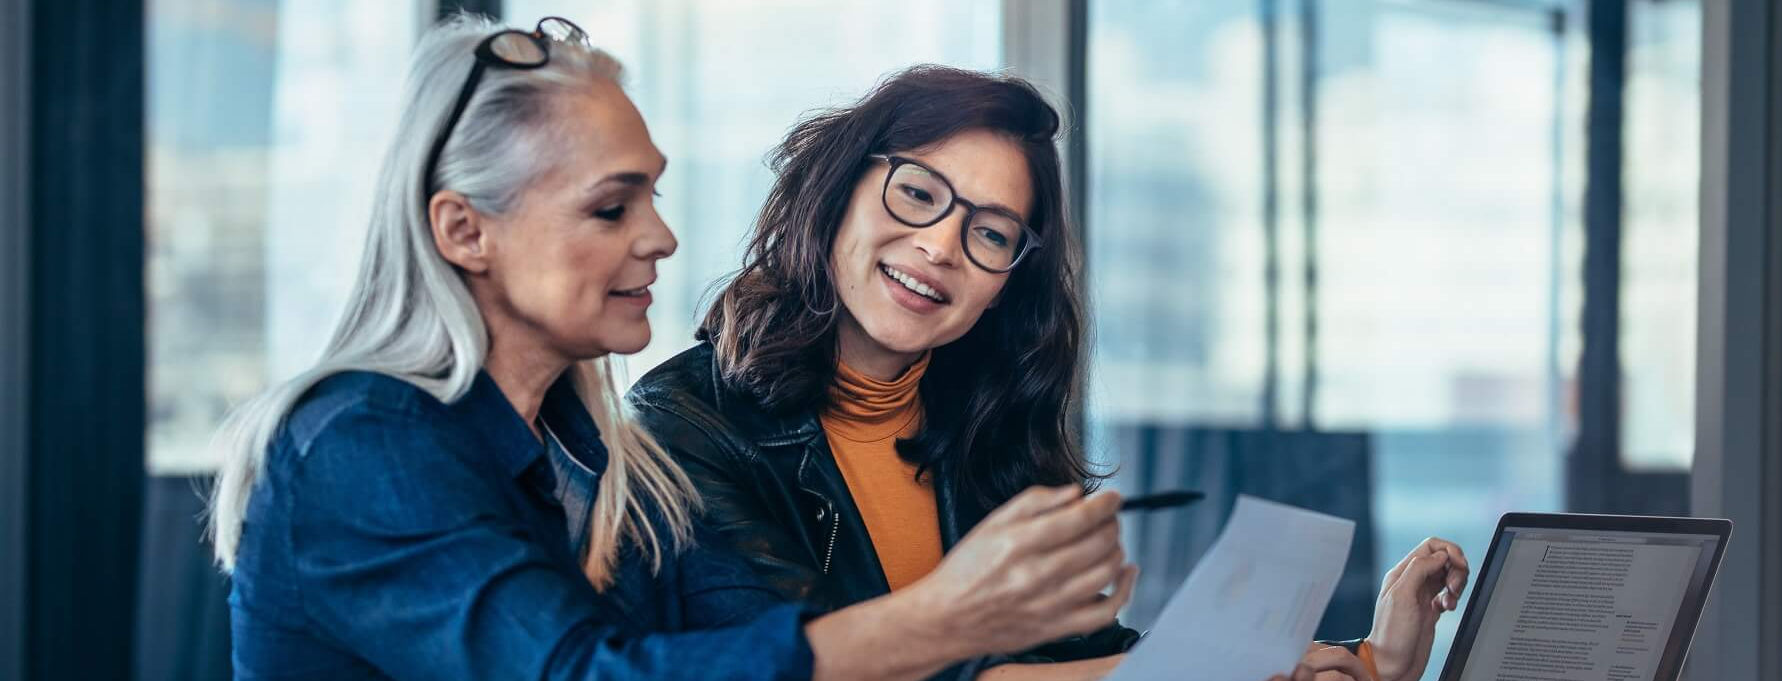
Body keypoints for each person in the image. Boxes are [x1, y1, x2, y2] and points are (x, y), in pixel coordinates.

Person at [208, 18, 1128, 680]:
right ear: (463, 231)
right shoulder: (362, 442)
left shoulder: (599, 460)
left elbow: (749, 645)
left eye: (651, 196)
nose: (661, 238)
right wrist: (949, 618)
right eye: (612, 207)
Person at [627, 65, 1470, 681]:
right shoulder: (683, 426)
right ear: (839, 190)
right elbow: (830, 667)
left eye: (991, 233)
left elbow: (1075, 657)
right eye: (918, 193)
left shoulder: (982, 424)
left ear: (1004, 286)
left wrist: (1350, 659)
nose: (940, 246)